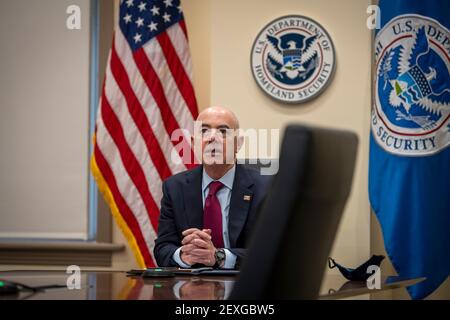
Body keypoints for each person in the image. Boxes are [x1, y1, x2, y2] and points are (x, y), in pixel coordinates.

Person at [154, 106, 270, 269]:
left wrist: (218, 256)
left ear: (238, 143)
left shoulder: (267, 188)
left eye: (223, 131)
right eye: (204, 131)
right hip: (189, 288)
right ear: (194, 144)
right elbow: (163, 248)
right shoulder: (174, 188)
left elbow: (272, 250)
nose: (212, 138)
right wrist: (184, 254)